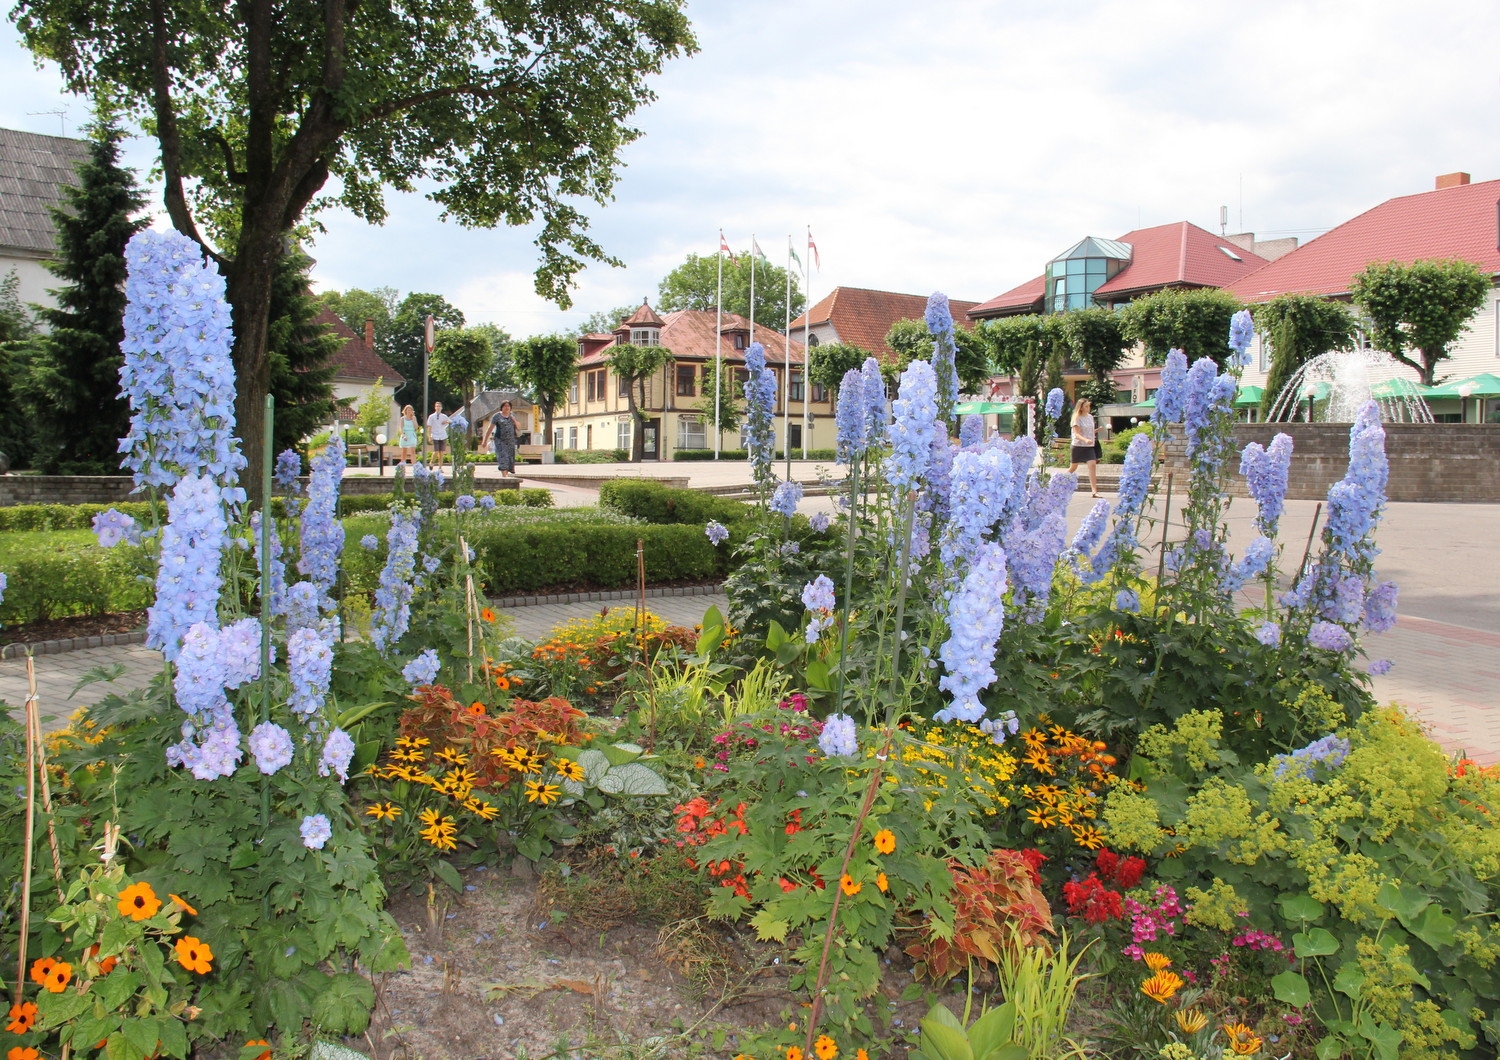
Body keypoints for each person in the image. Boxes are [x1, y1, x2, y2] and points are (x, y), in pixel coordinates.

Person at [1067, 397, 1100, 498]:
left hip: (1089, 446)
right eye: (1086, 406)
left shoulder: (1090, 417)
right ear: (1081, 408)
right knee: (1073, 467)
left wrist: (1096, 431)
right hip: (1078, 445)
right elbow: (1076, 434)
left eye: (1088, 406)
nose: (1088, 408)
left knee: (1092, 464)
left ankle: (1094, 491)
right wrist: (1085, 439)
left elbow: (1089, 431)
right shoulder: (1076, 418)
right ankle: (1059, 481)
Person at [481, 400, 520, 478]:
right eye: (505, 406)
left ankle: (506, 474)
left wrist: (514, 420)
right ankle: (504, 476)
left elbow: (519, 427)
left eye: (508, 406)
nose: (507, 408)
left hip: (511, 440)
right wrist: (484, 440)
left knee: (510, 458)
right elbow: (490, 428)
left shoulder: (513, 415)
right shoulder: (497, 416)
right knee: (503, 457)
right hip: (500, 440)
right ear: (501, 408)